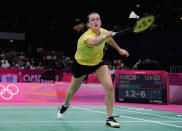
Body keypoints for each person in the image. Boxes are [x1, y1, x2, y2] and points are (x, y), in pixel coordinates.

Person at [57, 12, 129, 128]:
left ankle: (109, 118)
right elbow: (95, 42)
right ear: (89, 24)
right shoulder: (86, 36)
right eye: (92, 20)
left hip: (97, 63)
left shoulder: (104, 32)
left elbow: (109, 40)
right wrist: (106, 36)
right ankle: (65, 105)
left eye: (97, 19)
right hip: (81, 65)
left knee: (109, 87)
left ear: (100, 22)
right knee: (72, 90)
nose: (96, 21)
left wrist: (119, 50)